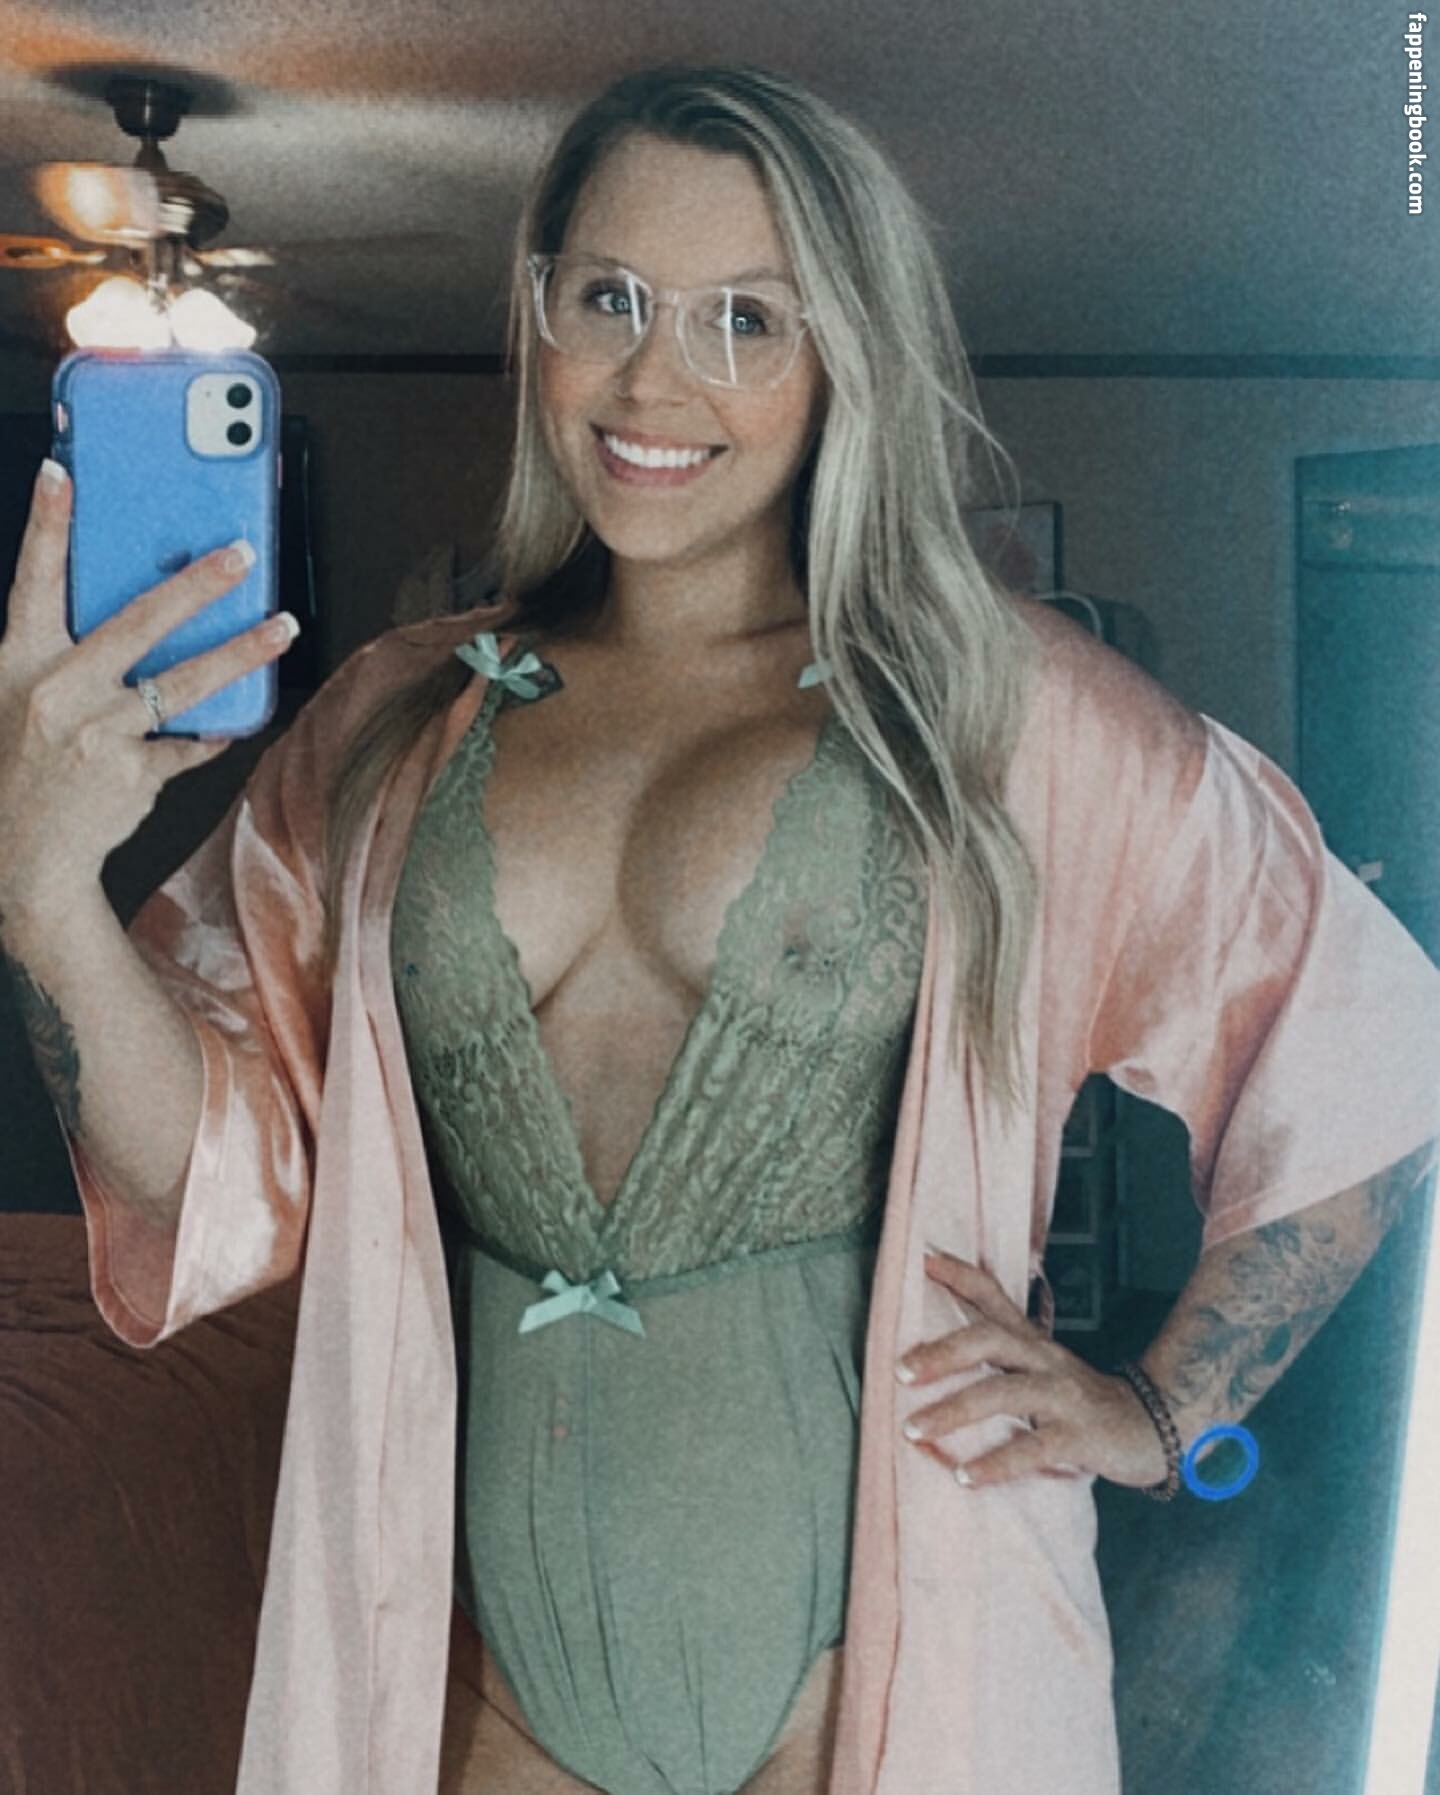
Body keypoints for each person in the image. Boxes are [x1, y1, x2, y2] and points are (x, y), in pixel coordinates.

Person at [2, 62, 1438, 1795]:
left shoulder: (998, 718)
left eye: (745, 319)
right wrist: (41, 894)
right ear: (538, 309)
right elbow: (212, 1171)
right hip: (477, 1698)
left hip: (880, 1687)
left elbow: (1362, 1041)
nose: (653, 381)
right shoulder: (391, 720)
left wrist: (1164, 1411)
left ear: (845, 360)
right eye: (608, 298)